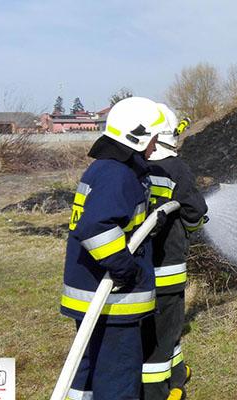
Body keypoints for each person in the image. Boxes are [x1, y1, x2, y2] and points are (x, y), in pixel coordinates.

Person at [61, 96, 165, 400]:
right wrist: (125, 270)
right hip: (112, 300)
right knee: (118, 376)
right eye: (154, 138)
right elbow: (96, 227)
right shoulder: (118, 175)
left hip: (90, 292)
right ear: (137, 137)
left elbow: (113, 219)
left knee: (87, 370)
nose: (156, 146)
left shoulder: (103, 168)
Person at [141, 104, 208, 400]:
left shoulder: (138, 166)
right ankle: (157, 391)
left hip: (140, 268)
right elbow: (195, 210)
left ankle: (177, 372)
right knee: (163, 331)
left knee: (167, 327)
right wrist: (192, 228)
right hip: (168, 267)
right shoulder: (176, 168)